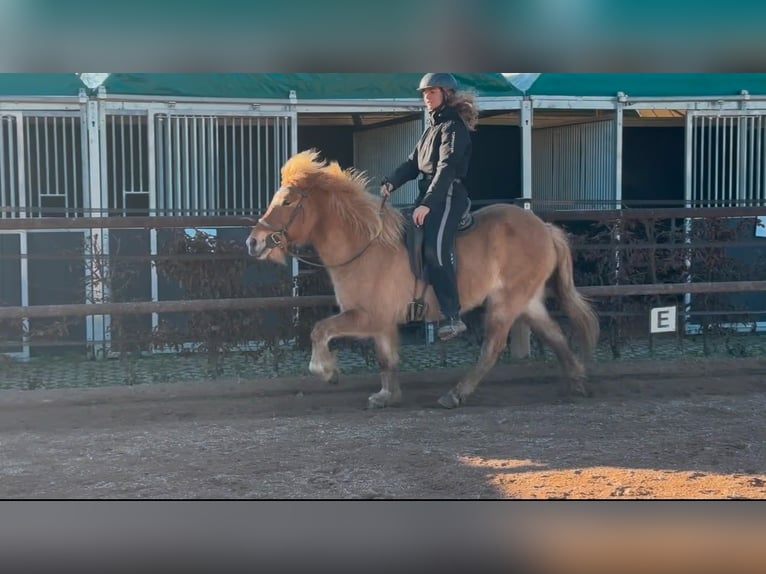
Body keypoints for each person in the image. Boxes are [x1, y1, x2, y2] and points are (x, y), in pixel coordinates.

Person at [380, 73, 479, 341]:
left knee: (434, 249)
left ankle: (452, 316)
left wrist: (425, 205)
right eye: (424, 93)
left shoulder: (453, 128)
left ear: (446, 94)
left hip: (448, 195)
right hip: (430, 194)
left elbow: (446, 170)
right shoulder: (431, 129)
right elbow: (413, 164)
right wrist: (391, 182)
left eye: (432, 92)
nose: (426, 96)